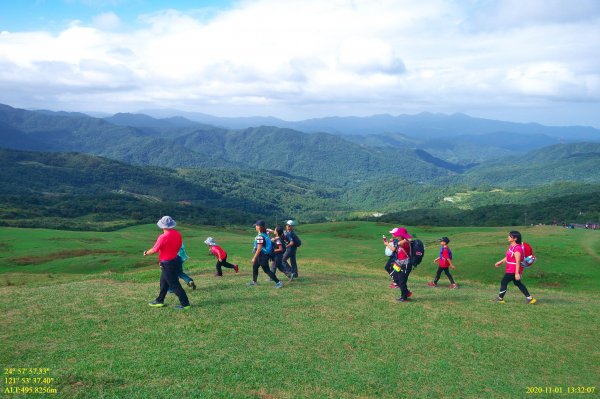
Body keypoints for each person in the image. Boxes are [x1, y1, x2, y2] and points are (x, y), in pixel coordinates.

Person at [144, 216, 191, 310]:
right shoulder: (177, 234)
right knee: (163, 282)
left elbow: (154, 250)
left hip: (167, 263)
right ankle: (159, 300)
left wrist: (146, 252)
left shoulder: (163, 237)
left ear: (162, 226)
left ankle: (185, 304)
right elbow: (178, 246)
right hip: (176, 259)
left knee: (174, 284)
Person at [494, 231, 537, 304]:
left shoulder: (517, 248)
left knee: (504, 282)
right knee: (518, 283)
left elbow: (517, 261)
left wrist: (517, 273)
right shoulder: (512, 246)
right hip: (511, 269)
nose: (508, 237)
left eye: (510, 236)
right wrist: (500, 262)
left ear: (515, 238)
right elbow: (508, 256)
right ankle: (530, 299)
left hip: (513, 270)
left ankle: (500, 299)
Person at [248, 220, 283, 288]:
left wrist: (254, 257)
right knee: (255, 267)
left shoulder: (260, 236)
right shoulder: (265, 233)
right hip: (262, 255)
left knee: (266, 270)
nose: (255, 227)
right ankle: (254, 282)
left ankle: (278, 282)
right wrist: (267, 229)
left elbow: (259, 248)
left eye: (256, 225)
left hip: (262, 255)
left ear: (259, 227)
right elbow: (268, 230)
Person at [387, 227, 414, 303]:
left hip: (405, 264)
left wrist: (404, 239)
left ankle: (404, 297)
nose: (397, 236)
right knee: (395, 277)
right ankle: (406, 292)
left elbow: (410, 239)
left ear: (402, 235)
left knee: (402, 281)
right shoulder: (401, 241)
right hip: (399, 263)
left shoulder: (405, 242)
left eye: (398, 235)